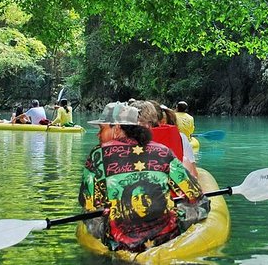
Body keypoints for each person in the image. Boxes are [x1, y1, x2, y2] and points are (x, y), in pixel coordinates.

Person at [78, 102, 210, 252]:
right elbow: (195, 194)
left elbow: (88, 203)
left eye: (102, 129)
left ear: (117, 128)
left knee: (89, 216)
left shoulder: (97, 155)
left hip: (121, 241)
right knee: (201, 205)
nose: (98, 134)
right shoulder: (163, 151)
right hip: (165, 236)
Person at [132, 100, 198, 178]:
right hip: (171, 182)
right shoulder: (188, 121)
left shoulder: (121, 142)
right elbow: (194, 176)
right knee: (185, 161)